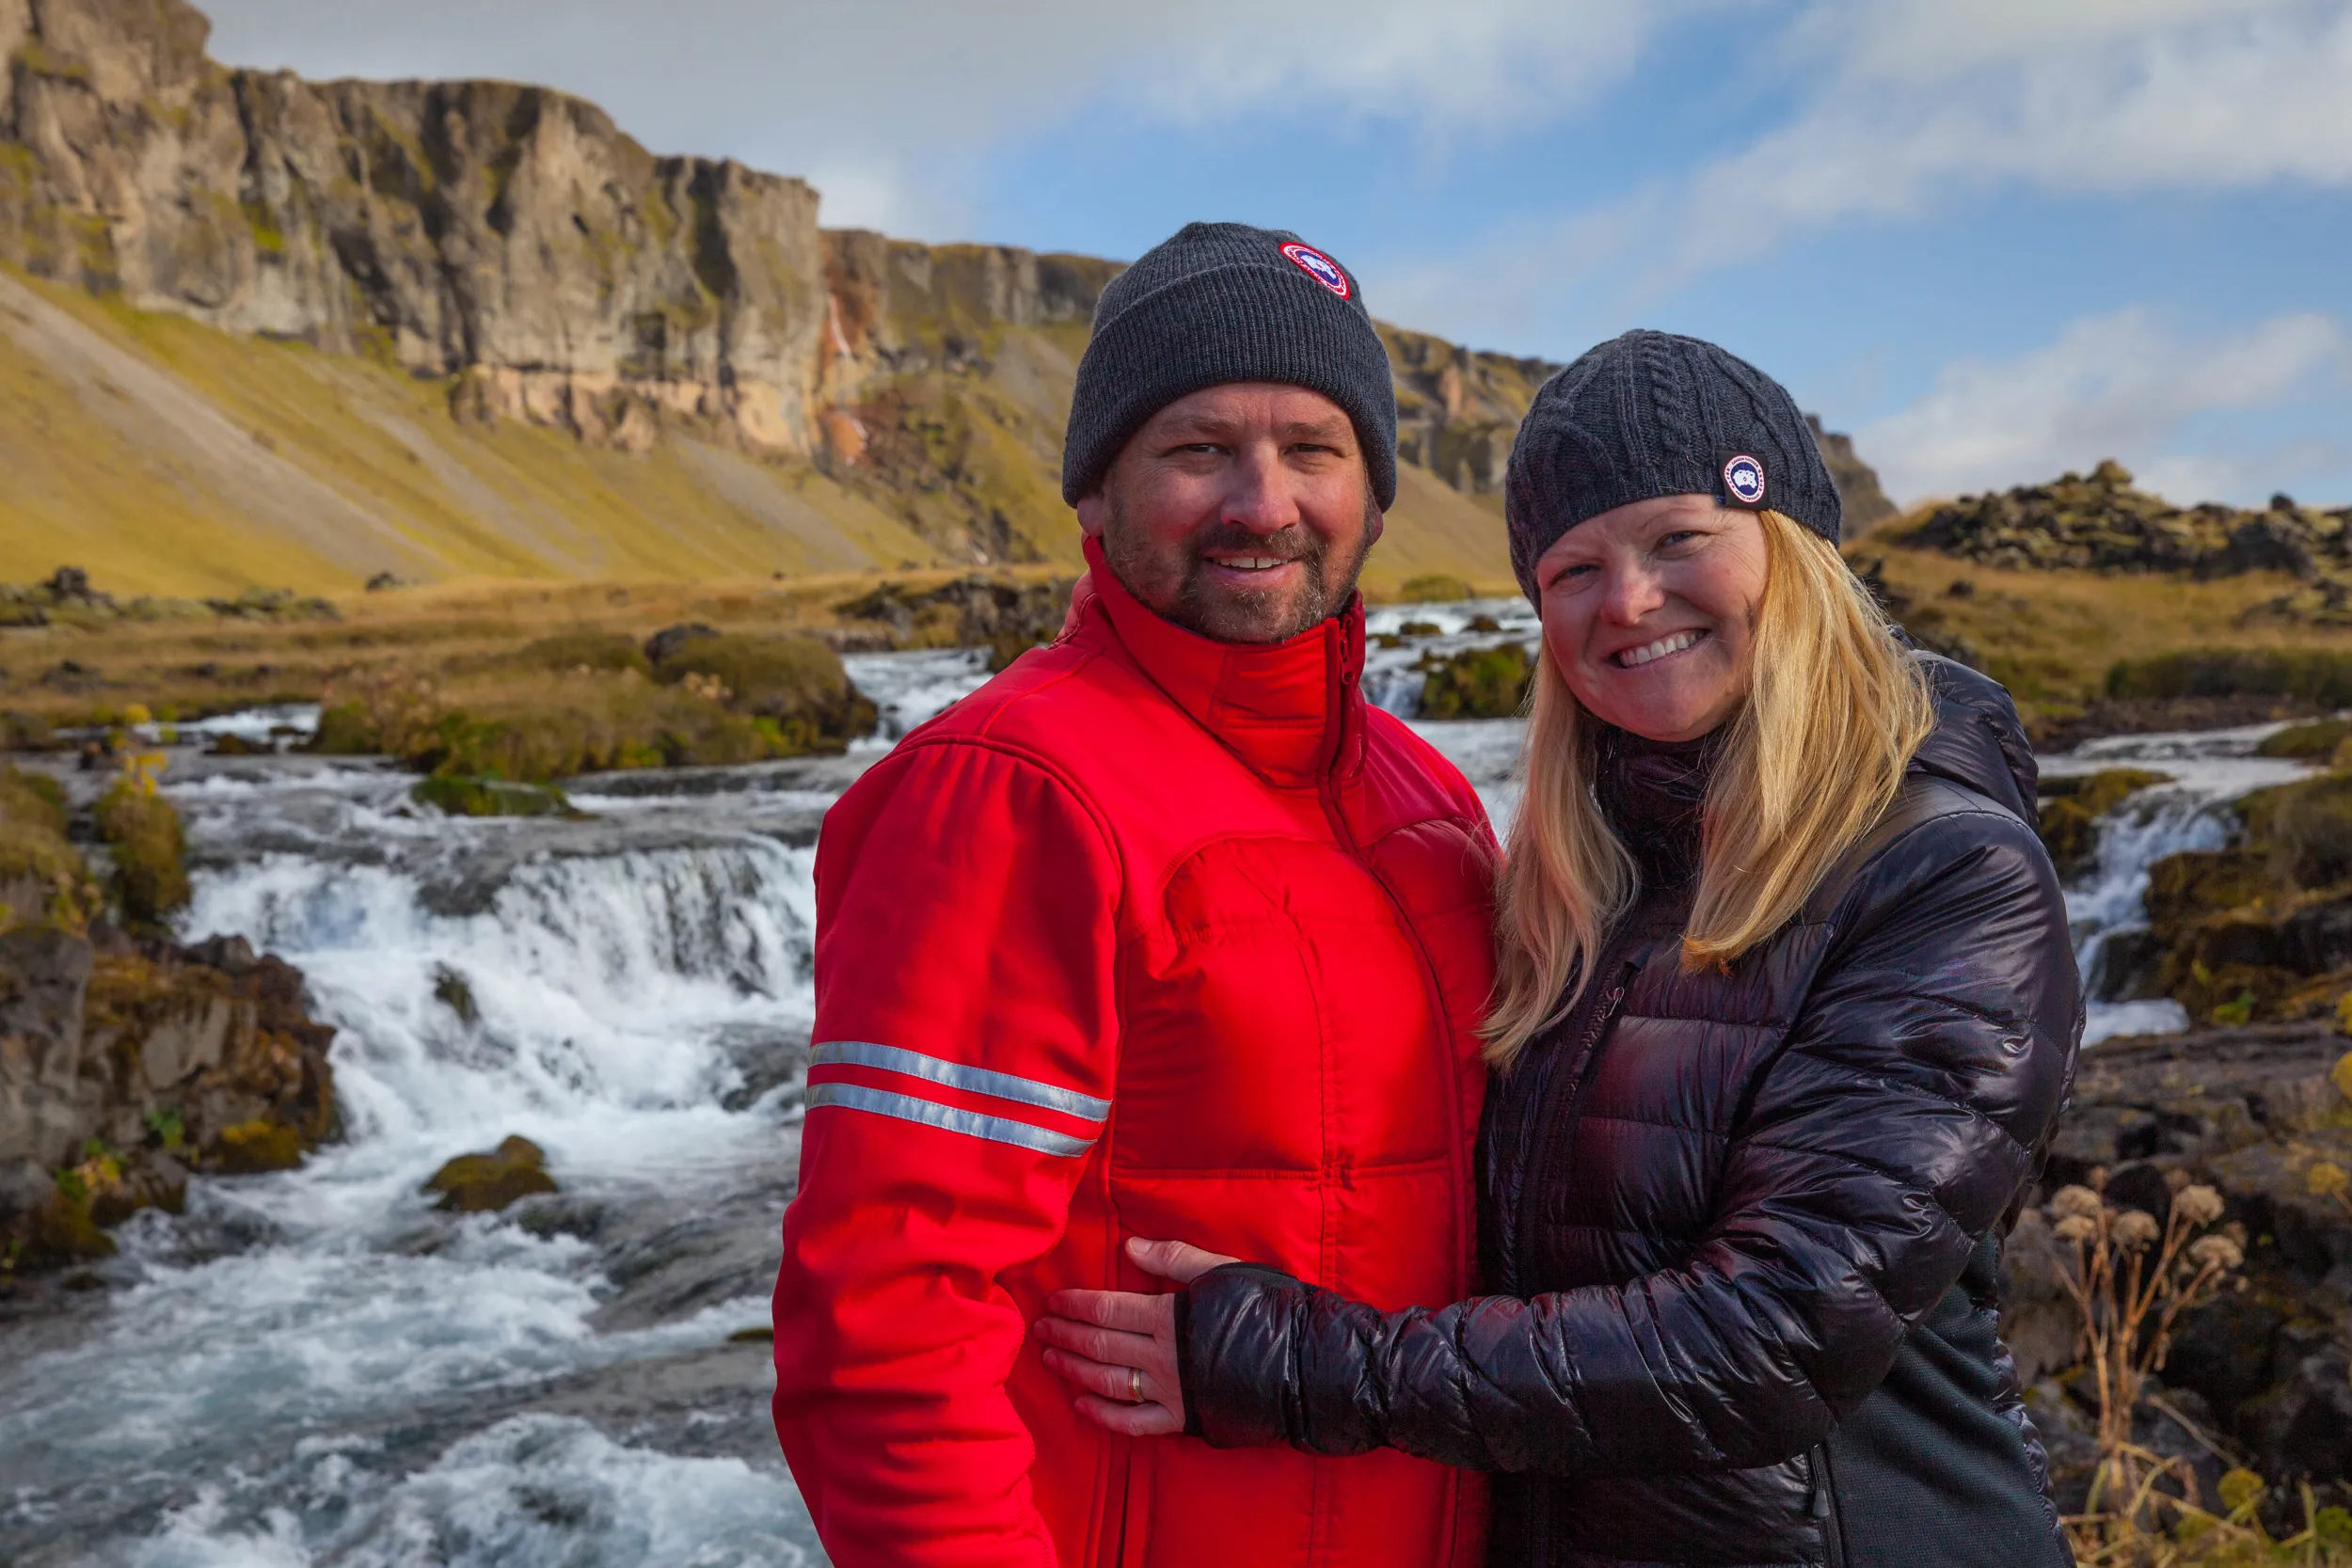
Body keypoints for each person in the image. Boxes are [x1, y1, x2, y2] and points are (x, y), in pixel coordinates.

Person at [1035, 329, 2085, 1568]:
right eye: (1574, 568)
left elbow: (1771, 1339)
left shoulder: (1946, 872)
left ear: (1792, 548)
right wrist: (1123, 663)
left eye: (1680, 539)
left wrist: (1298, 1360)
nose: (1628, 601)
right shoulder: (1593, 880)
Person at [771, 222, 1500, 1568]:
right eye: (1198, 449)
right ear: (1096, 493)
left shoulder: (1430, 801)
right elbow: (886, 1328)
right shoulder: (1003, 793)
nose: (1262, 501)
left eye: (1313, 450)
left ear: (1378, 493)